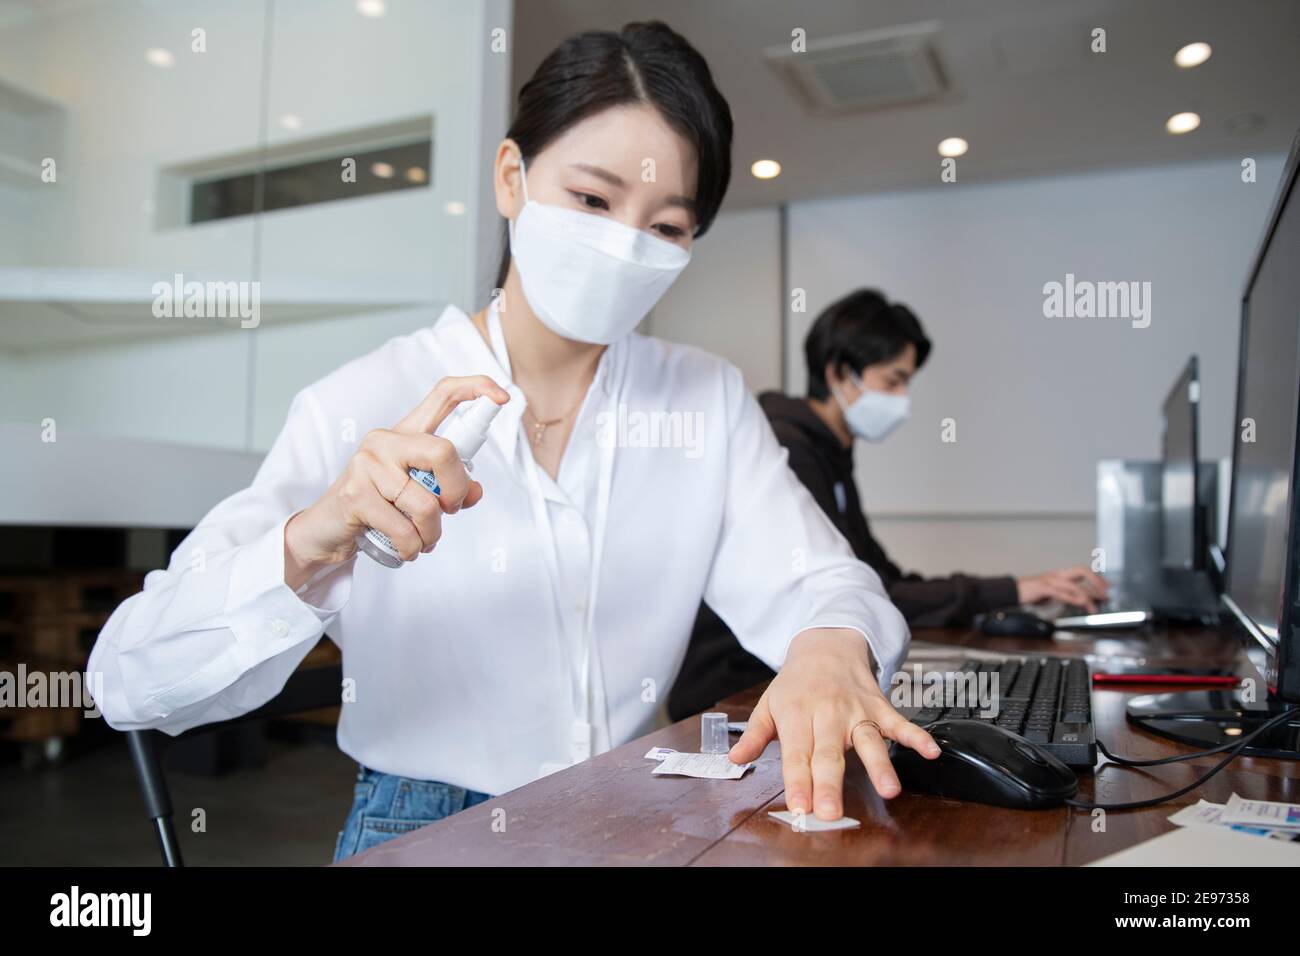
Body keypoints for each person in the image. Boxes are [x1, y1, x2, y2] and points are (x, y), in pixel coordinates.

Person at [88, 23, 939, 862]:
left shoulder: (704, 398)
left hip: (639, 811)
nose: (623, 245)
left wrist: (831, 647)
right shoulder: (360, 403)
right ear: (511, 178)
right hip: (421, 828)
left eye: (667, 227)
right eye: (592, 200)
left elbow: (824, 579)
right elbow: (128, 679)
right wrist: (310, 540)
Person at [668, 288, 1109, 721]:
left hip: (783, 679)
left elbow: (879, 582)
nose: (902, 400)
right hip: (737, 692)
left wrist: (1014, 589)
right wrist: (1016, 588)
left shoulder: (831, 454)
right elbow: (878, 594)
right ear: (840, 373)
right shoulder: (790, 448)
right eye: (893, 380)